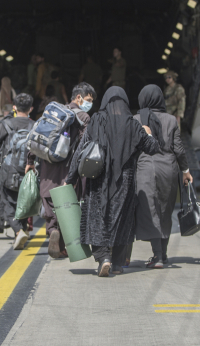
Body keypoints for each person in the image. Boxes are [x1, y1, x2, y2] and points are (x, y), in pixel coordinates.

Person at [65, 87, 161, 277]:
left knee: (97, 219)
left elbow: (81, 150)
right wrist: (148, 133)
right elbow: (153, 148)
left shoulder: (97, 121)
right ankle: (117, 263)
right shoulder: (133, 125)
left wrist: (71, 178)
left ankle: (103, 258)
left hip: (98, 179)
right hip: (125, 182)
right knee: (121, 221)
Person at [25, 82, 96, 259]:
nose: (89, 103)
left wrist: (30, 161)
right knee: (67, 204)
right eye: (88, 99)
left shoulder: (54, 112)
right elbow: (84, 146)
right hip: (68, 170)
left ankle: (52, 231)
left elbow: (37, 136)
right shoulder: (84, 117)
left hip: (47, 168)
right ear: (78, 97)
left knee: (49, 200)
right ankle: (61, 241)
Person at [134, 85, 193, 269]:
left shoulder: (136, 119)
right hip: (169, 168)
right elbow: (179, 149)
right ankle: (163, 254)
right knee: (165, 211)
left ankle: (157, 256)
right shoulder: (171, 120)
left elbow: (132, 147)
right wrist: (185, 170)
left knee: (150, 211)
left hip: (145, 167)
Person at [0, 93, 35, 249]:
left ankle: (18, 231)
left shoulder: (6, 124)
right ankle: (22, 229)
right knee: (24, 201)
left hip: (9, 170)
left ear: (14, 107)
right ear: (31, 109)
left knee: (7, 202)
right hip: (29, 170)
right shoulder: (34, 126)